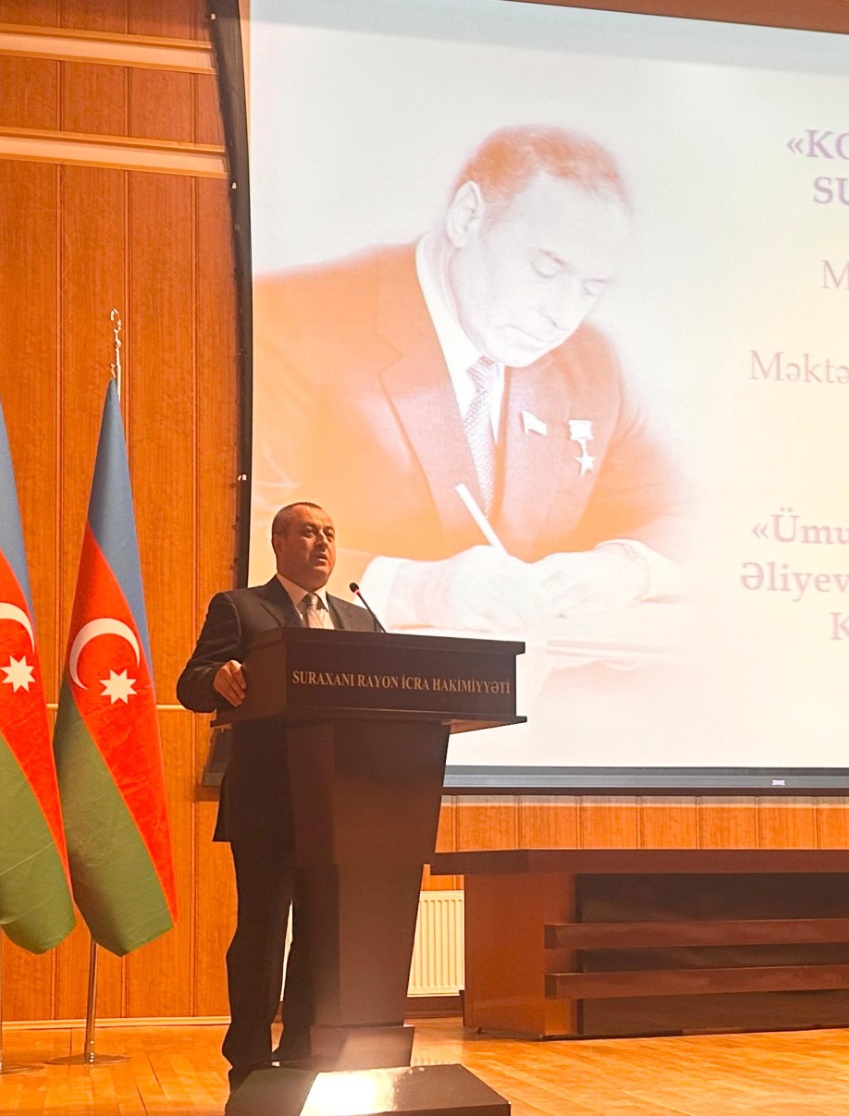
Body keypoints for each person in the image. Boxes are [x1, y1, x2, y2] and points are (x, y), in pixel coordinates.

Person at [251, 124, 684, 636]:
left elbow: (685, 512)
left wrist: (627, 567)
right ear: (467, 217)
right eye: (546, 269)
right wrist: (413, 590)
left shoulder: (590, 362)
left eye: (590, 287)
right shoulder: (293, 321)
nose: (563, 315)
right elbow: (239, 535)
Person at [175, 502, 376, 1090]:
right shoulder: (241, 607)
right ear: (279, 542)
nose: (322, 544)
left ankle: (303, 1047)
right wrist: (216, 678)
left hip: (338, 803)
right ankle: (249, 1055)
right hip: (267, 799)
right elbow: (191, 683)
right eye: (309, 532)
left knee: (319, 933)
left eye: (330, 533)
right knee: (262, 931)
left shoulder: (358, 620)